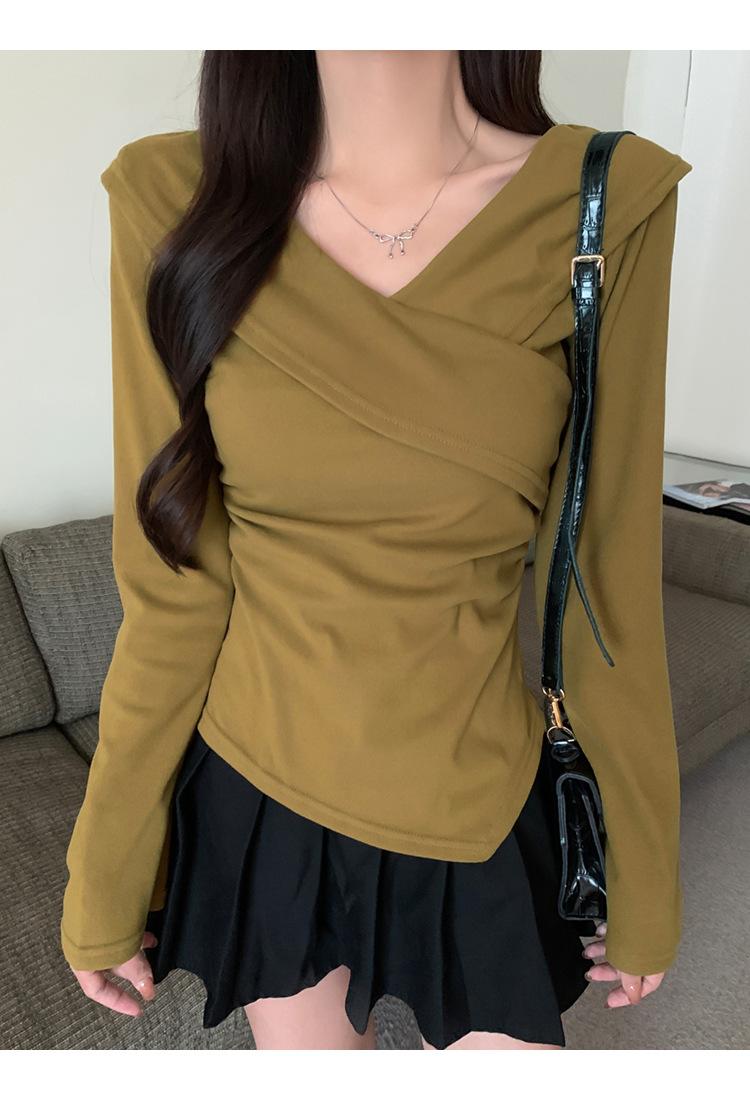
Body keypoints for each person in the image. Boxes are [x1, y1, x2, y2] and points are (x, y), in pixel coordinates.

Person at [60, 50, 692, 1050]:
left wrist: (648, 872)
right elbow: (172, 584)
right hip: (258, 781)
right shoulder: (173, 196)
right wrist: (104, 866)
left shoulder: (604, 201)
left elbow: (603, 581)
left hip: (475, 783)